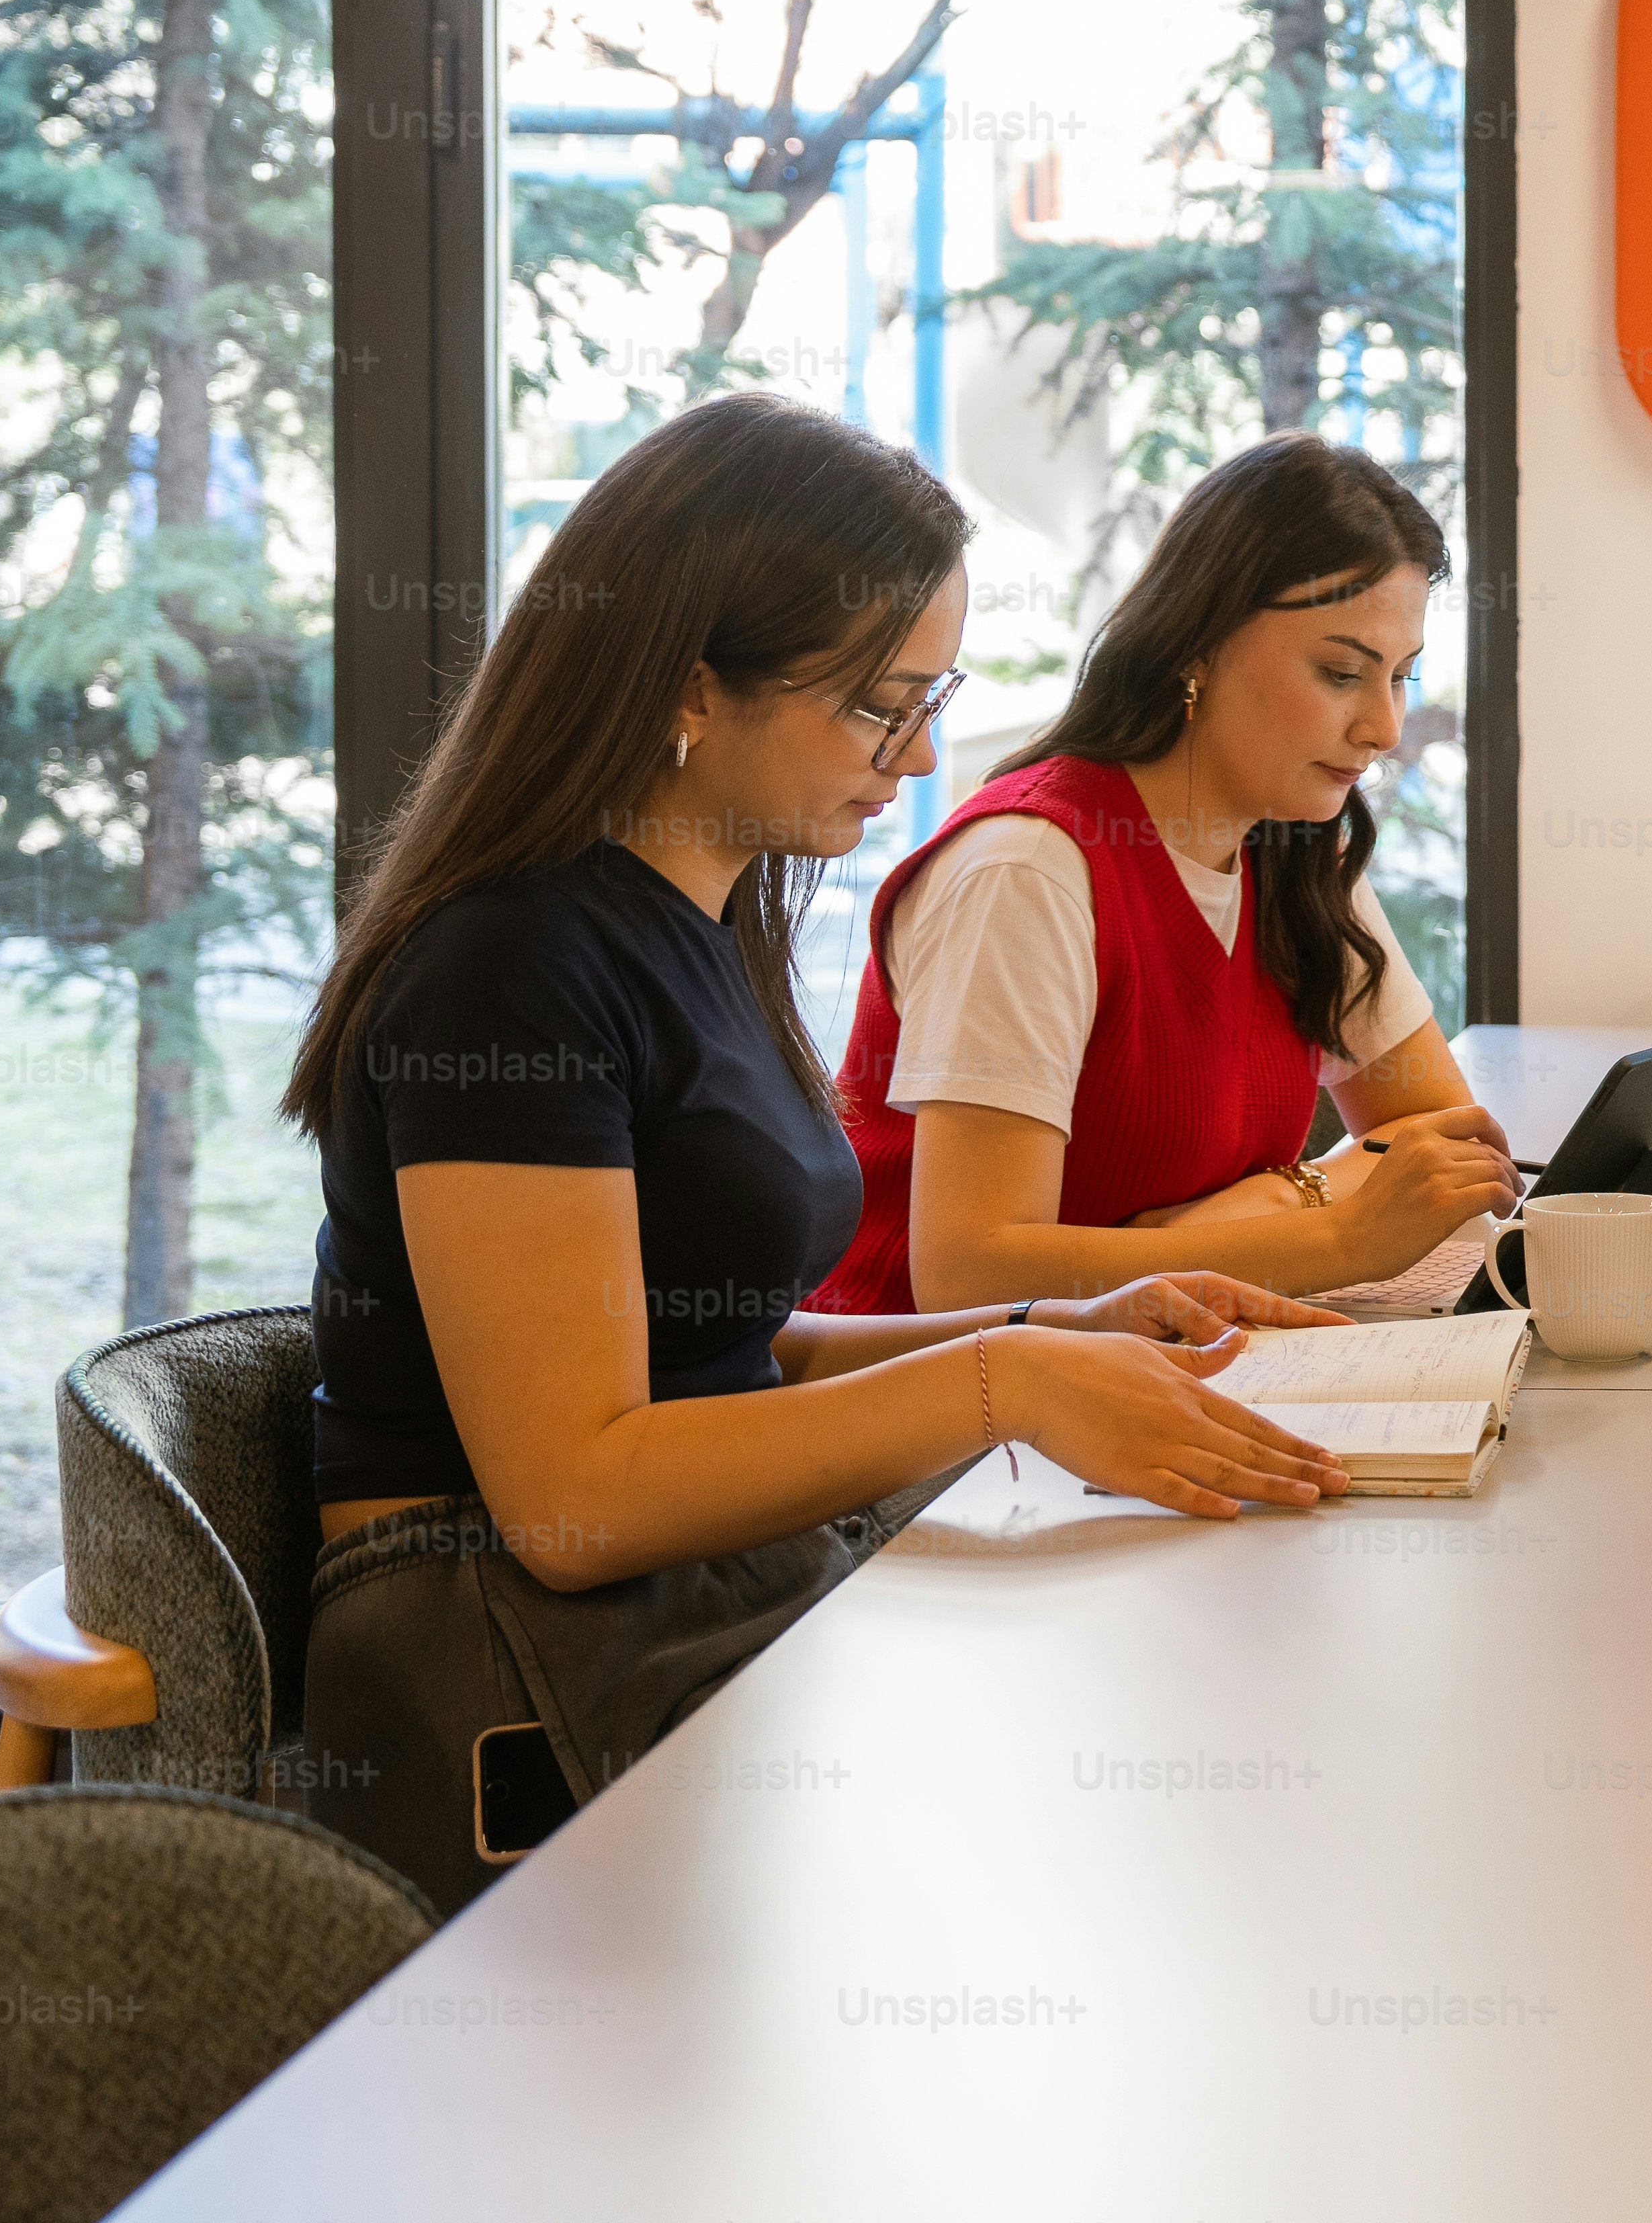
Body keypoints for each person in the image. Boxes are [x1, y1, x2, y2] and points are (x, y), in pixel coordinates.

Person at [286, 396, 1356, 1912]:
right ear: (687, 683)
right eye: (879, 705)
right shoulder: (507, 968)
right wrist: (1006, 1384)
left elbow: (723, 1352)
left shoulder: (704, 920)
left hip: (672, 1608)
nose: (920, 756)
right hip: (507, 1669)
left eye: (936, 696)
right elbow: (573, 1490)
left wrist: (1048, 1328)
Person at [808, 434, 1520, 1318]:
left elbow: (1443, 1151)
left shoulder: (1298, 845)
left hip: (1164, 1373)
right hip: (958, 1429)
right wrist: (1330, 1233)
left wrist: (1244, 1214)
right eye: (1342, 673)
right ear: (1198, 646)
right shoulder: (1031, 870)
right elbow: (967, 1272)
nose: (1382, 726)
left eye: (1402, 678)